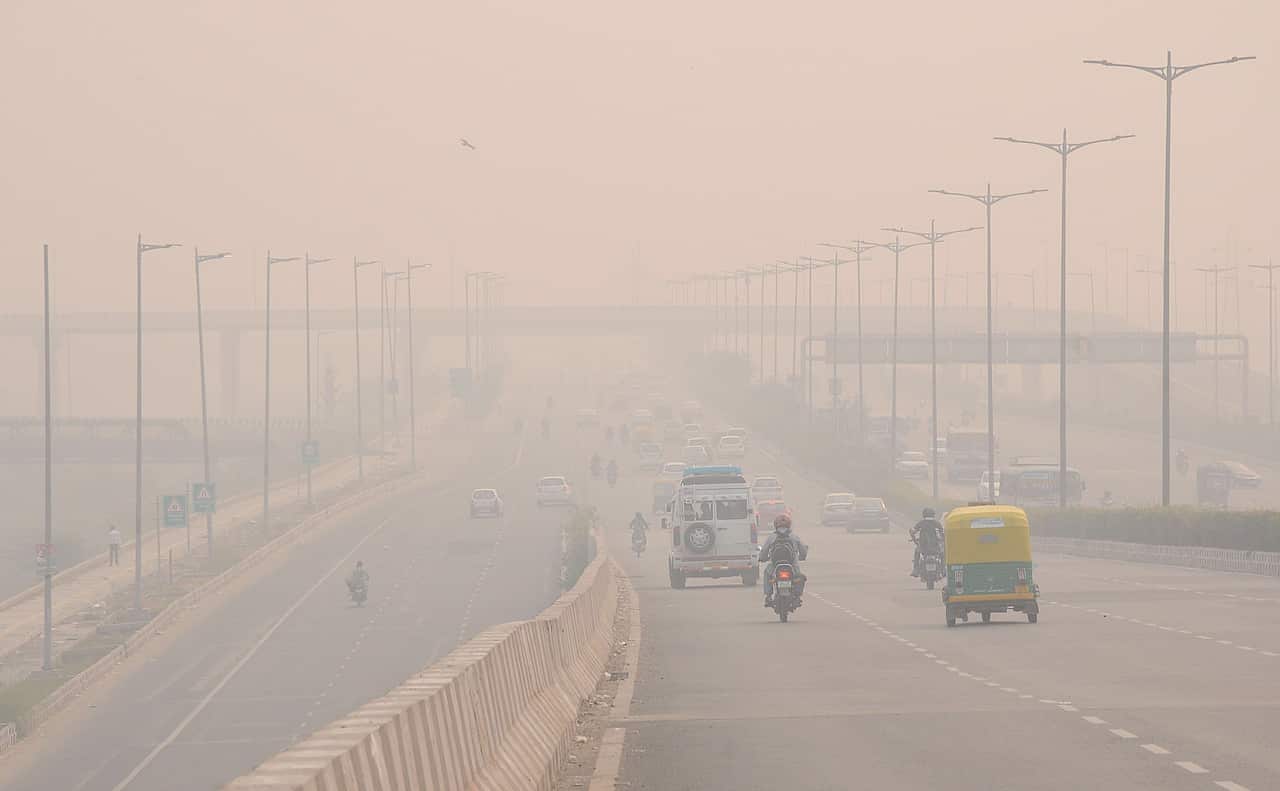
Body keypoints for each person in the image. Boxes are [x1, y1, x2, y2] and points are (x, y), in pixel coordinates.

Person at [759, 514, 808, 606]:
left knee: (767, 574)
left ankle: (768, 596)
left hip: (775, 565)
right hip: (792, 565)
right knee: (799, 577)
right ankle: (797, 596)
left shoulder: (772, 537)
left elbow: (764, 551)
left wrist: (762, 558)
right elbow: (803, 550)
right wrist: (802, 557)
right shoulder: (794, 536)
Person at [910, 507, 943, 577]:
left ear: (924, 514)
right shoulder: (937, 523)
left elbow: (913, 531)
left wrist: (914, 538)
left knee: (917, 552)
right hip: (935, 547)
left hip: (923, 547)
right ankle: (943, 569)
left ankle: (915, 569)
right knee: (942, 553)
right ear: (933, 514)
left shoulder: (921, 523)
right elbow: (942, 533)